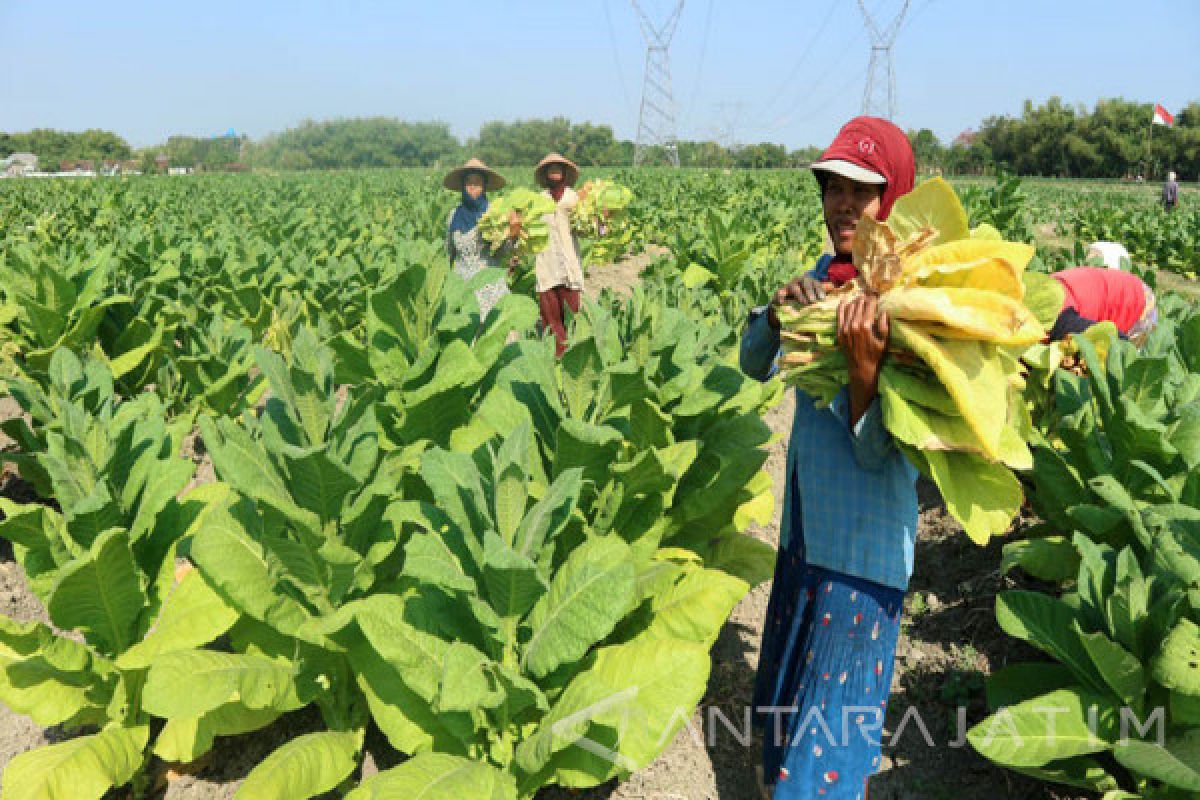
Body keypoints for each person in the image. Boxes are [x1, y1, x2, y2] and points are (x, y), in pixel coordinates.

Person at [741, 116, 918, 800]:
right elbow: (753, 362)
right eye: (832, 188)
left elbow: (882, 457)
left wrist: (864, 372)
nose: (843, 203)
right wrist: (779, 311)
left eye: (863, 190)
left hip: (861, 559)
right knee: (788, 732)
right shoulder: (824, 280)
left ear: (891, 198)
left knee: (824, 759)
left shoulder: (912, 305)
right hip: (807, 538)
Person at [443, 157, 519, 317]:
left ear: (484, 186)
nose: (472, 187)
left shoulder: (493, 213)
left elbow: (502, 251)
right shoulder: (453, 215)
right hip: (461, 283)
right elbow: (449, 252)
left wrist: (513, 234)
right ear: (463, 186)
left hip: (488, 286)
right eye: (468, 183)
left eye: (477, 183)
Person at [531, 153, 587, 357]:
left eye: (558, 168)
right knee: (550, 318)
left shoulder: (574, 198)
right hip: (546, 265)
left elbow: (586, 227)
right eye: (550, 168)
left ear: (564, 172)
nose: (554, 171)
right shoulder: (539, 200)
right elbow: (529, 230)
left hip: (569, 264)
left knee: (572, 315)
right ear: (545, 174)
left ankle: (573, 356)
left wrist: (602, 222)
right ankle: (557, 358)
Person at [1047, 266, 1157, 346]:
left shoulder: (1060, 321)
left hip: (1136, 301)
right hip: (1110, 287)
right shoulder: (1039, 291)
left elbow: (1118, 342)